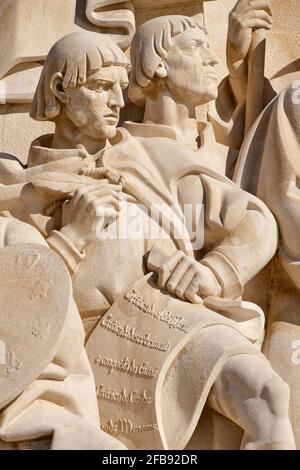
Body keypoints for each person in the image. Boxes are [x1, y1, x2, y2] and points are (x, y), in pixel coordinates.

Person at [48, 15, 295, 449]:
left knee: (266, 395)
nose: (113, 102)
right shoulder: (118, 154)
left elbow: (251, 217)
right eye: (100, 88)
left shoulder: (159, 159)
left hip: (171, 310)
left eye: (115, 89)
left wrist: (212, 271)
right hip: (108, 327)